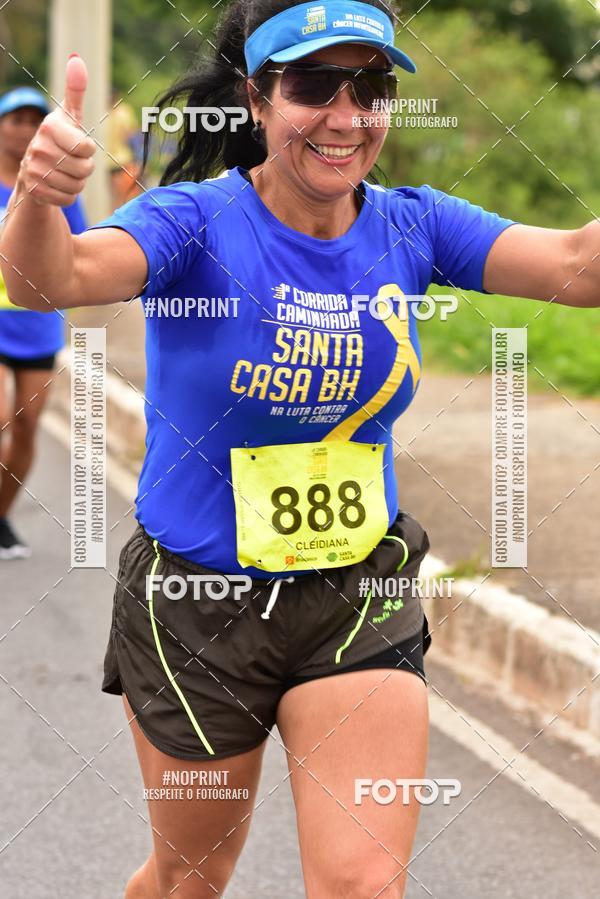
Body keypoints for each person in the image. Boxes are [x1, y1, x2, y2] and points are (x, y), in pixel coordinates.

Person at [1, 1, 599, 895]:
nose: (347, 114)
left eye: (372, 86)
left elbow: (580, 267)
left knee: (363, 884)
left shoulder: (414, 225)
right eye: (314, 84)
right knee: (189, 875)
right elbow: (50, 280)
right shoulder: (194, 222)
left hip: (355, 593)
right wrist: (42, 201)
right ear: (256, 97)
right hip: (199, 609)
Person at [0, 86, 86, 560]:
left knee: (28, 426)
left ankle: (2, 516)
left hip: (37, 328)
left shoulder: (56, 185)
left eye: (35, 121)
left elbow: (80, 248)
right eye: (15, 119)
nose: (24, 129)